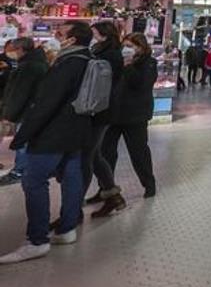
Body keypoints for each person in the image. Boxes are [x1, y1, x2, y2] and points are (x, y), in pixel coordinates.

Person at [0, 21, 92, 264]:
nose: (56, 34)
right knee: (72, 176)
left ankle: (37, 240)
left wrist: (23, 135)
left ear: (72, 39)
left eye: (61, 32)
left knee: (33, 180)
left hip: (54, 132)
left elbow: (46, 104)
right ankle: (67, 228)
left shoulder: (67, 64)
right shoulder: (88, 60)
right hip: (77, 130)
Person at [97, 32, 157, 216]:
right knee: (105, 153)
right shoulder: (118, 61)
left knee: (138, 152)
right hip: (114, 114)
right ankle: (106, 189)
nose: (127, 48)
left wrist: (129, 65)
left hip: (135, 116)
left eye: (132, 45)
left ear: (141, 47)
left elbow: (141, 85)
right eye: (126, 45)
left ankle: (149, 184)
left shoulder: (148, 63)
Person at [81, 21, 123, 209]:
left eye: (95, 32)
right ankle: (111, 194)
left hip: (100, 109)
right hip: (99, 108)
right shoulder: (102, 50)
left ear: (103, 34)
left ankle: (75, 202)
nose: (93, 36)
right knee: (95, 154)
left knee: (87, 156)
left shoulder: (110, 55)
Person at [0, 37, 49, 187]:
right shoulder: (38, 62)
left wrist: (9, 115)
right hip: (33, 109)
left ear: (20, 49)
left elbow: (20, 93)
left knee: (22, 142)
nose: (9, 53)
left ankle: (20, 171)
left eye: (11, 50)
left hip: (27, 111)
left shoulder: (29, 66)